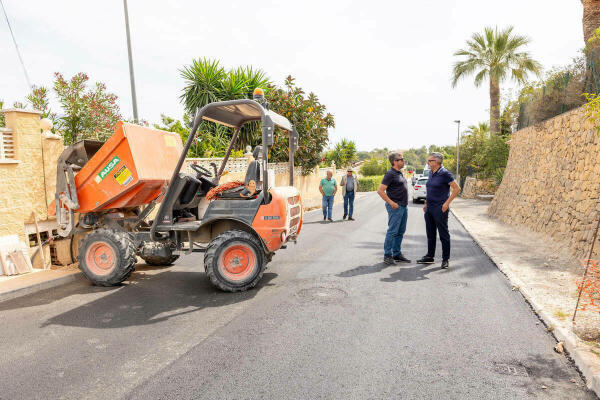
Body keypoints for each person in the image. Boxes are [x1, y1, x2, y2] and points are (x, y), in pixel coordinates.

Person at [417, 152, 461, 269]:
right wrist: (426, 203)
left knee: (443, 235)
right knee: (430, 234)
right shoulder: (431, 173)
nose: (428, 162)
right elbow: (430, 189)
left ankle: (445, 259)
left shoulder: (445, 173)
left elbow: (457, 189)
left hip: (440, 208)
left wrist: (447, 203)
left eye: (430, 161)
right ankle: (430, 256)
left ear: (437, 162)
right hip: (430, 208)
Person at [377, 152, 410, 265]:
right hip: (396, 207)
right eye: (401, 159)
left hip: (403, 206)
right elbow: (380, 191)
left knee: (400, 231)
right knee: (392, 231)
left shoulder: (399, 173)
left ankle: (397, 254)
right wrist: (391, 203)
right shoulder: (390, 174)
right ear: (395, 161)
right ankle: (387, 255)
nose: (403, 160)